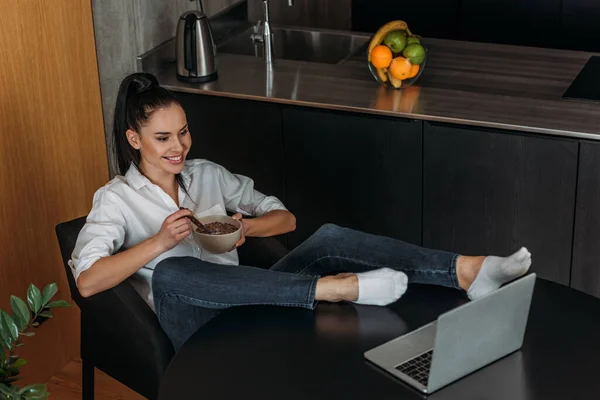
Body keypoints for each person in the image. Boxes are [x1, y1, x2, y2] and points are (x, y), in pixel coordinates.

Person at [70, 73, 532, 351]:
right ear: (135, 140)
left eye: (184, 133)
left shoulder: (206, 173)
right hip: (196, 323)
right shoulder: (115, 200)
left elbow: (285, 218)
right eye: (163, 138)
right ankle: (332, 289)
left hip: (262, 297)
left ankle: (469, 270)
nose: (179, 147)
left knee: (328, 235)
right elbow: (87, 281)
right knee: (172, 273)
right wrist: (159, 243)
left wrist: (244, 227)